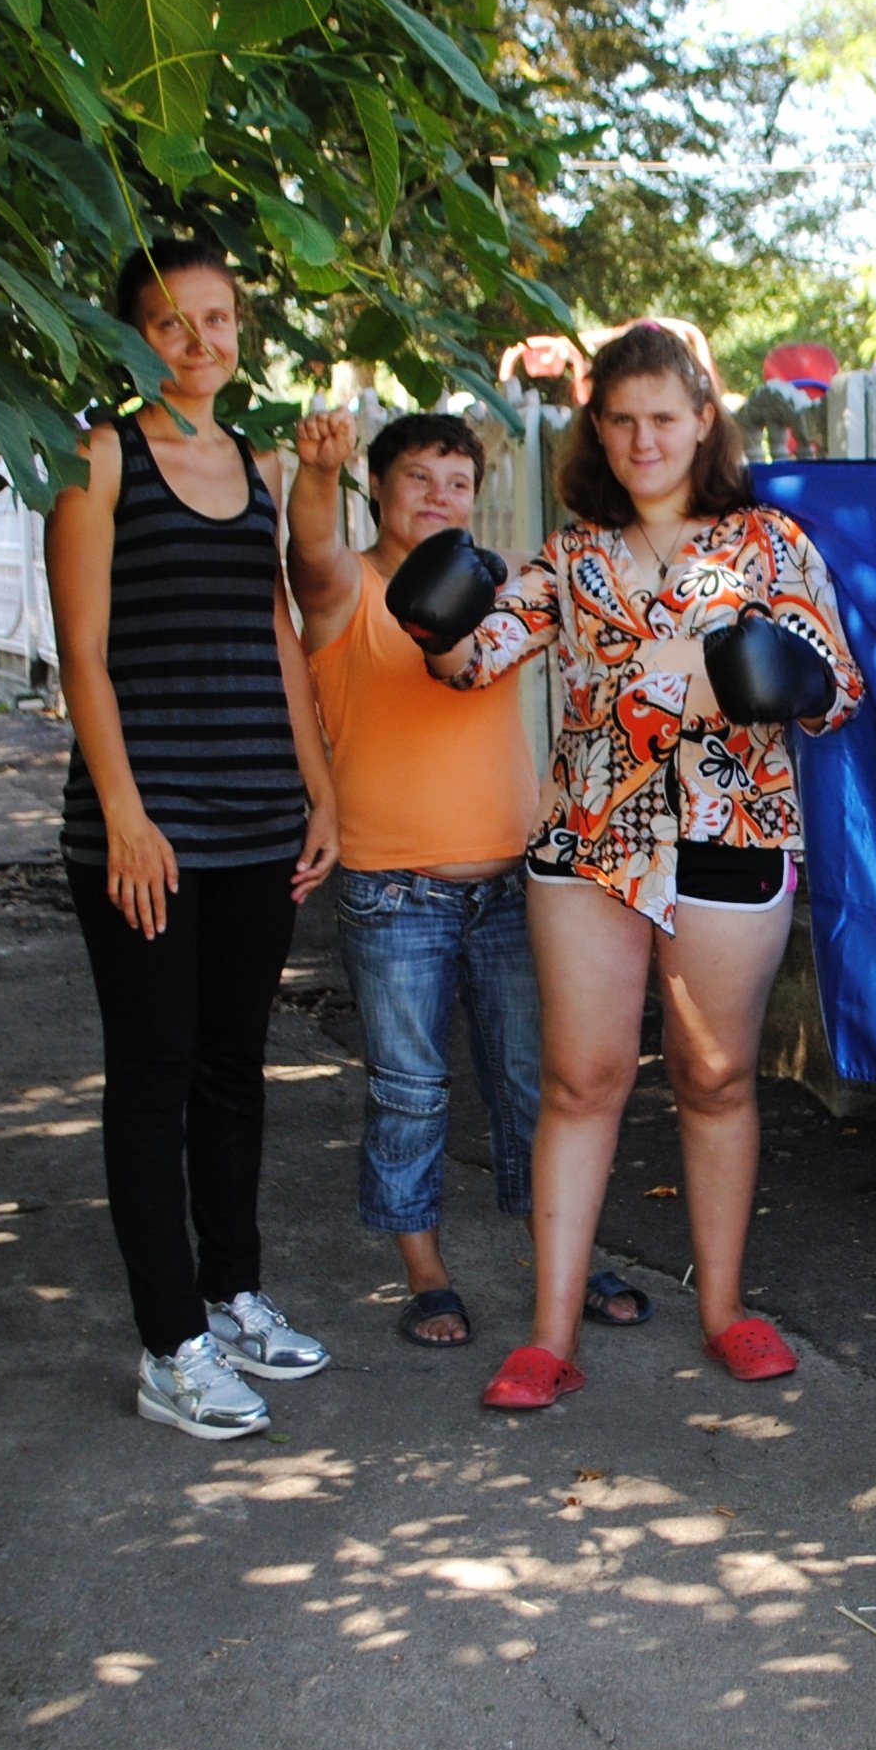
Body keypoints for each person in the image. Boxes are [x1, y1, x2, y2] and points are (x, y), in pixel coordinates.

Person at [409, 323, 863, 1410]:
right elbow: (473, 662)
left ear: (703, 421)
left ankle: (725, 1310)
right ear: (598, 432)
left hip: (730, 832)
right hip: (588, 841)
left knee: (715, 1078)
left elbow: (839, 692)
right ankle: (549, 1335)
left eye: (663, 417)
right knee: (582, 1081)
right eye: (620, 420)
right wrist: (437, 624)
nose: (642, 439)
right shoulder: (571, 557)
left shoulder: (768, 546)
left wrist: (783, 679)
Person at [48, 240, 345, 1441]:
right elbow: (80, 654)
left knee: (232, 1069)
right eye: (171, 322)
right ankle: (169, 1348)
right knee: (152, 1074)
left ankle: (230, 1297)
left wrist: (319, 792)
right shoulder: (97, 458)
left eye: (218, 318)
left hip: (257, 822)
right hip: (145, 835)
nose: (199, 340)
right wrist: (125, 815)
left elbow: (279, 637)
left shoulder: (255, 465)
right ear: (133, 339)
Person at [285, 410, 650, 1348]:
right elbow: (310, 550)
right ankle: (426, 1274)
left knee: (536, 1083)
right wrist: (316, 472)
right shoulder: (348, 588)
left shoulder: (499, 591)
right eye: (418, 478)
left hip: (514, 881)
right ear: (378, 487)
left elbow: (593, 590)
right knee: (410, 1089)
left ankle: (563, 1255)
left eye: (457, 483)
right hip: (394, 887)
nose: (439, 497)